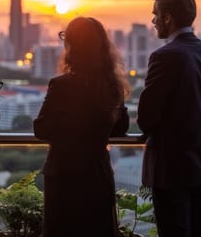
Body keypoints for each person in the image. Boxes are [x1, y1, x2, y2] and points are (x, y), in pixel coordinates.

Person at [137, 0, 201, 237]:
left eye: (155, 14)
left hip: (172, 168)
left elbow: (146, 119)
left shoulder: (165, 56)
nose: (152, 21)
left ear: (168, 18)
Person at [33, 16, 130, 237]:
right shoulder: (112, 86)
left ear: (72, 46)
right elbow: (120, 128)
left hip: (64, 175)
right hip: (97, 174)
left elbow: (42, 129)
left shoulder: (61, 85)